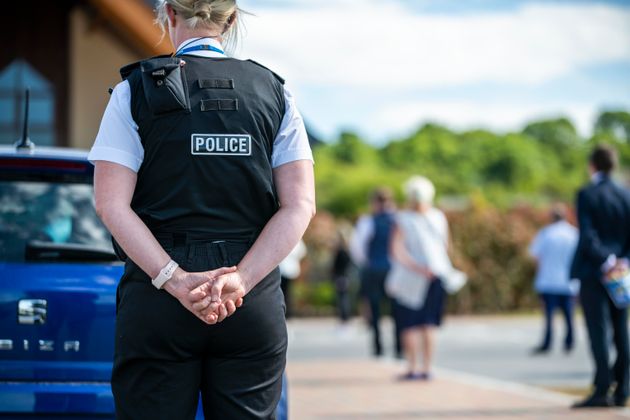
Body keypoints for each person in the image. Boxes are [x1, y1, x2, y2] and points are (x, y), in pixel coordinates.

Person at [89, 1, 315, 418]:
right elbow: (299, 204)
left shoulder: (133, 90)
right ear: (230, 21)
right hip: (249, 295)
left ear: (169, 15)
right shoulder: (275, 91)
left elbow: (110, 203)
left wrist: (174, 280)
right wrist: (241, 280)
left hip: (160, 296)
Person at [570, 145, 630, 408]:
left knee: (599, 331)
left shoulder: (587, 194)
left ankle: (602, 388)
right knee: (621, 329)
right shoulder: (625, 194)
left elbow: (588, 234)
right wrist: (621, 260)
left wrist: (605, 261)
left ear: (592, 165)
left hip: (595, 271)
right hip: (622, 270)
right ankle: (624, 388)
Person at [387, 176, 449, 380]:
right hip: (436, 274)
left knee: (409, 324)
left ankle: (412, 367)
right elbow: (445, 247)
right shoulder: (438, 217)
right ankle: (428, 367)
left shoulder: (402, 218)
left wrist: (417, 268)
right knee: (429, 323)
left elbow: (397, 250)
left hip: (410, 278)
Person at [350, 188, 401, 357]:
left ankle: (378, 347)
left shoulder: (368, 221)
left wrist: (367, 262)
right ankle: (399, 348)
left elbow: (357, 247)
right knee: (396, 309)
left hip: (374, 268)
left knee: (375, 309)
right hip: (394, 268)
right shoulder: (398, 219)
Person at [528, 204, 579, 354]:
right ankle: (569, 341)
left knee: (549, 316)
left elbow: (535, 255)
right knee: (569, 314)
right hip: (569, 280)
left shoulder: (546, 233)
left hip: (548, 280)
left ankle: (547, 342)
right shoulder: (574, 234)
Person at [279, 239, 307, 319]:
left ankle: (286, 312)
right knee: (286, 293)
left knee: (285, 293)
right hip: (288, 270)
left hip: (286, 270)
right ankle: (287, 313)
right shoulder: (297, 241)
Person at [331, 226, 354, 325]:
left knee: (342, 298)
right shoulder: (348, 251)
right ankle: (345, 317)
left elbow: (336, 266)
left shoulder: (341, 252)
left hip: (341, 276)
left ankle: (344, 317)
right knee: (344, 297)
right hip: (346, 276)